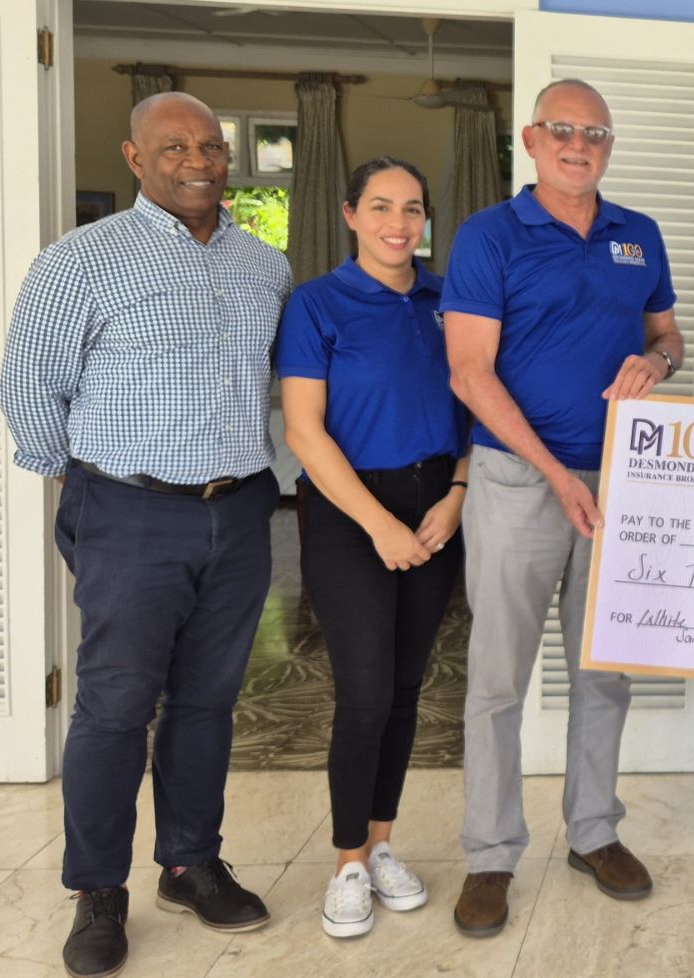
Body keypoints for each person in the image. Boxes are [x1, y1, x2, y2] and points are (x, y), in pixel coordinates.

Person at [0, 91, 289, 978]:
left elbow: (273, 384)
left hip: (241, 508)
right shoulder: (79, 261)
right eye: (174, 147)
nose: (198, 161)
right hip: (128, 510)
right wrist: (84, 484)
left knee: (207, 700)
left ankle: (190, 864)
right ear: (134, 157)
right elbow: (28, 386)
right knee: (116, 705)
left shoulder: (264, 266)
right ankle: (98, 889)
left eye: (211, 146)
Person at [443, 78, 682, 937]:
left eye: (595, 133)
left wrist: (656, 365)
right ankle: (491, 854)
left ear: (608, 146)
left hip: (620, 483)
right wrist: (555, 473)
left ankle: (593, 833)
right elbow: (469, 372)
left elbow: (666, 334)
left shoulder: (638, 235)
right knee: (498, 679)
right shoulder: (489, 235)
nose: (580, 145)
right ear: (532, 140)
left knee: (604, 671)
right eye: (563, 130)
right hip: (518, 482)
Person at [277, 156, 470, 939]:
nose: (399, 223)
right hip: (348, 510)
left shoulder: (449, 300)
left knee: (406, 687)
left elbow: (481, 405)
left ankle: (383, 845)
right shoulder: (316, 304)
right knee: (364, 694)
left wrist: (457, 495)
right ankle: (349, 864)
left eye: (413, 208)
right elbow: (304, 432)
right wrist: (377, 524)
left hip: (437, 506)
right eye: (382, 206)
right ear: (351, 213)